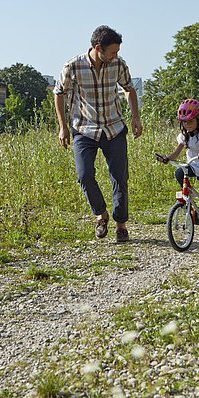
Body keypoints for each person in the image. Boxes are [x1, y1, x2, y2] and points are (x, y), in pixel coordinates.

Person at [54, 26, 143, 243]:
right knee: (84, 175)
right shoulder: (73, 66)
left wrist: (135, 117)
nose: (116, 55)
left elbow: (129, 89)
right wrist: (63, 126)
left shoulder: (119, 64)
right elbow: (59, 93)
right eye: (113, 51)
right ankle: (101, 214)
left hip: (114, 127)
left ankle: (121, 224)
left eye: (118, 51)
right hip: (84, 129)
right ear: (98, 48)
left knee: (120, 177)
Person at [158, 98, 199, 231]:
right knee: (179, 172)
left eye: (190, 121)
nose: (187, 124)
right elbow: (176, 153)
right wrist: (167, 158)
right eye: (184, 122)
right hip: (194, 165)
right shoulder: (184, 135)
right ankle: (190, 197)